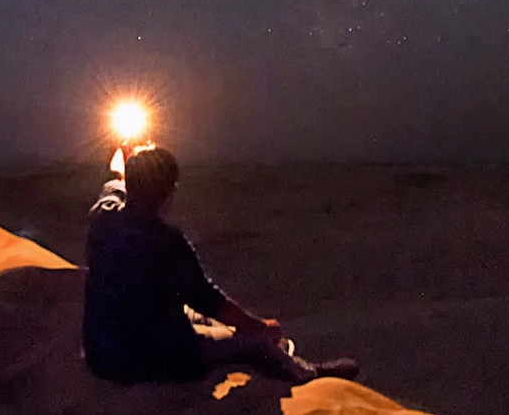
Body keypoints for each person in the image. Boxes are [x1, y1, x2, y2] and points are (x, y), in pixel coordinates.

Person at [82, 143, 359, 386]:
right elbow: (208, 300)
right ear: (169, 192)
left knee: (194, 316)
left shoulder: (103, 217)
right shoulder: (166, 241)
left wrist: (125, 162)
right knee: (255, 344)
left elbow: (112, 188)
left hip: (100, 353)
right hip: (149, 359)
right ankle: (308, 375)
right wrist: (259, 326)